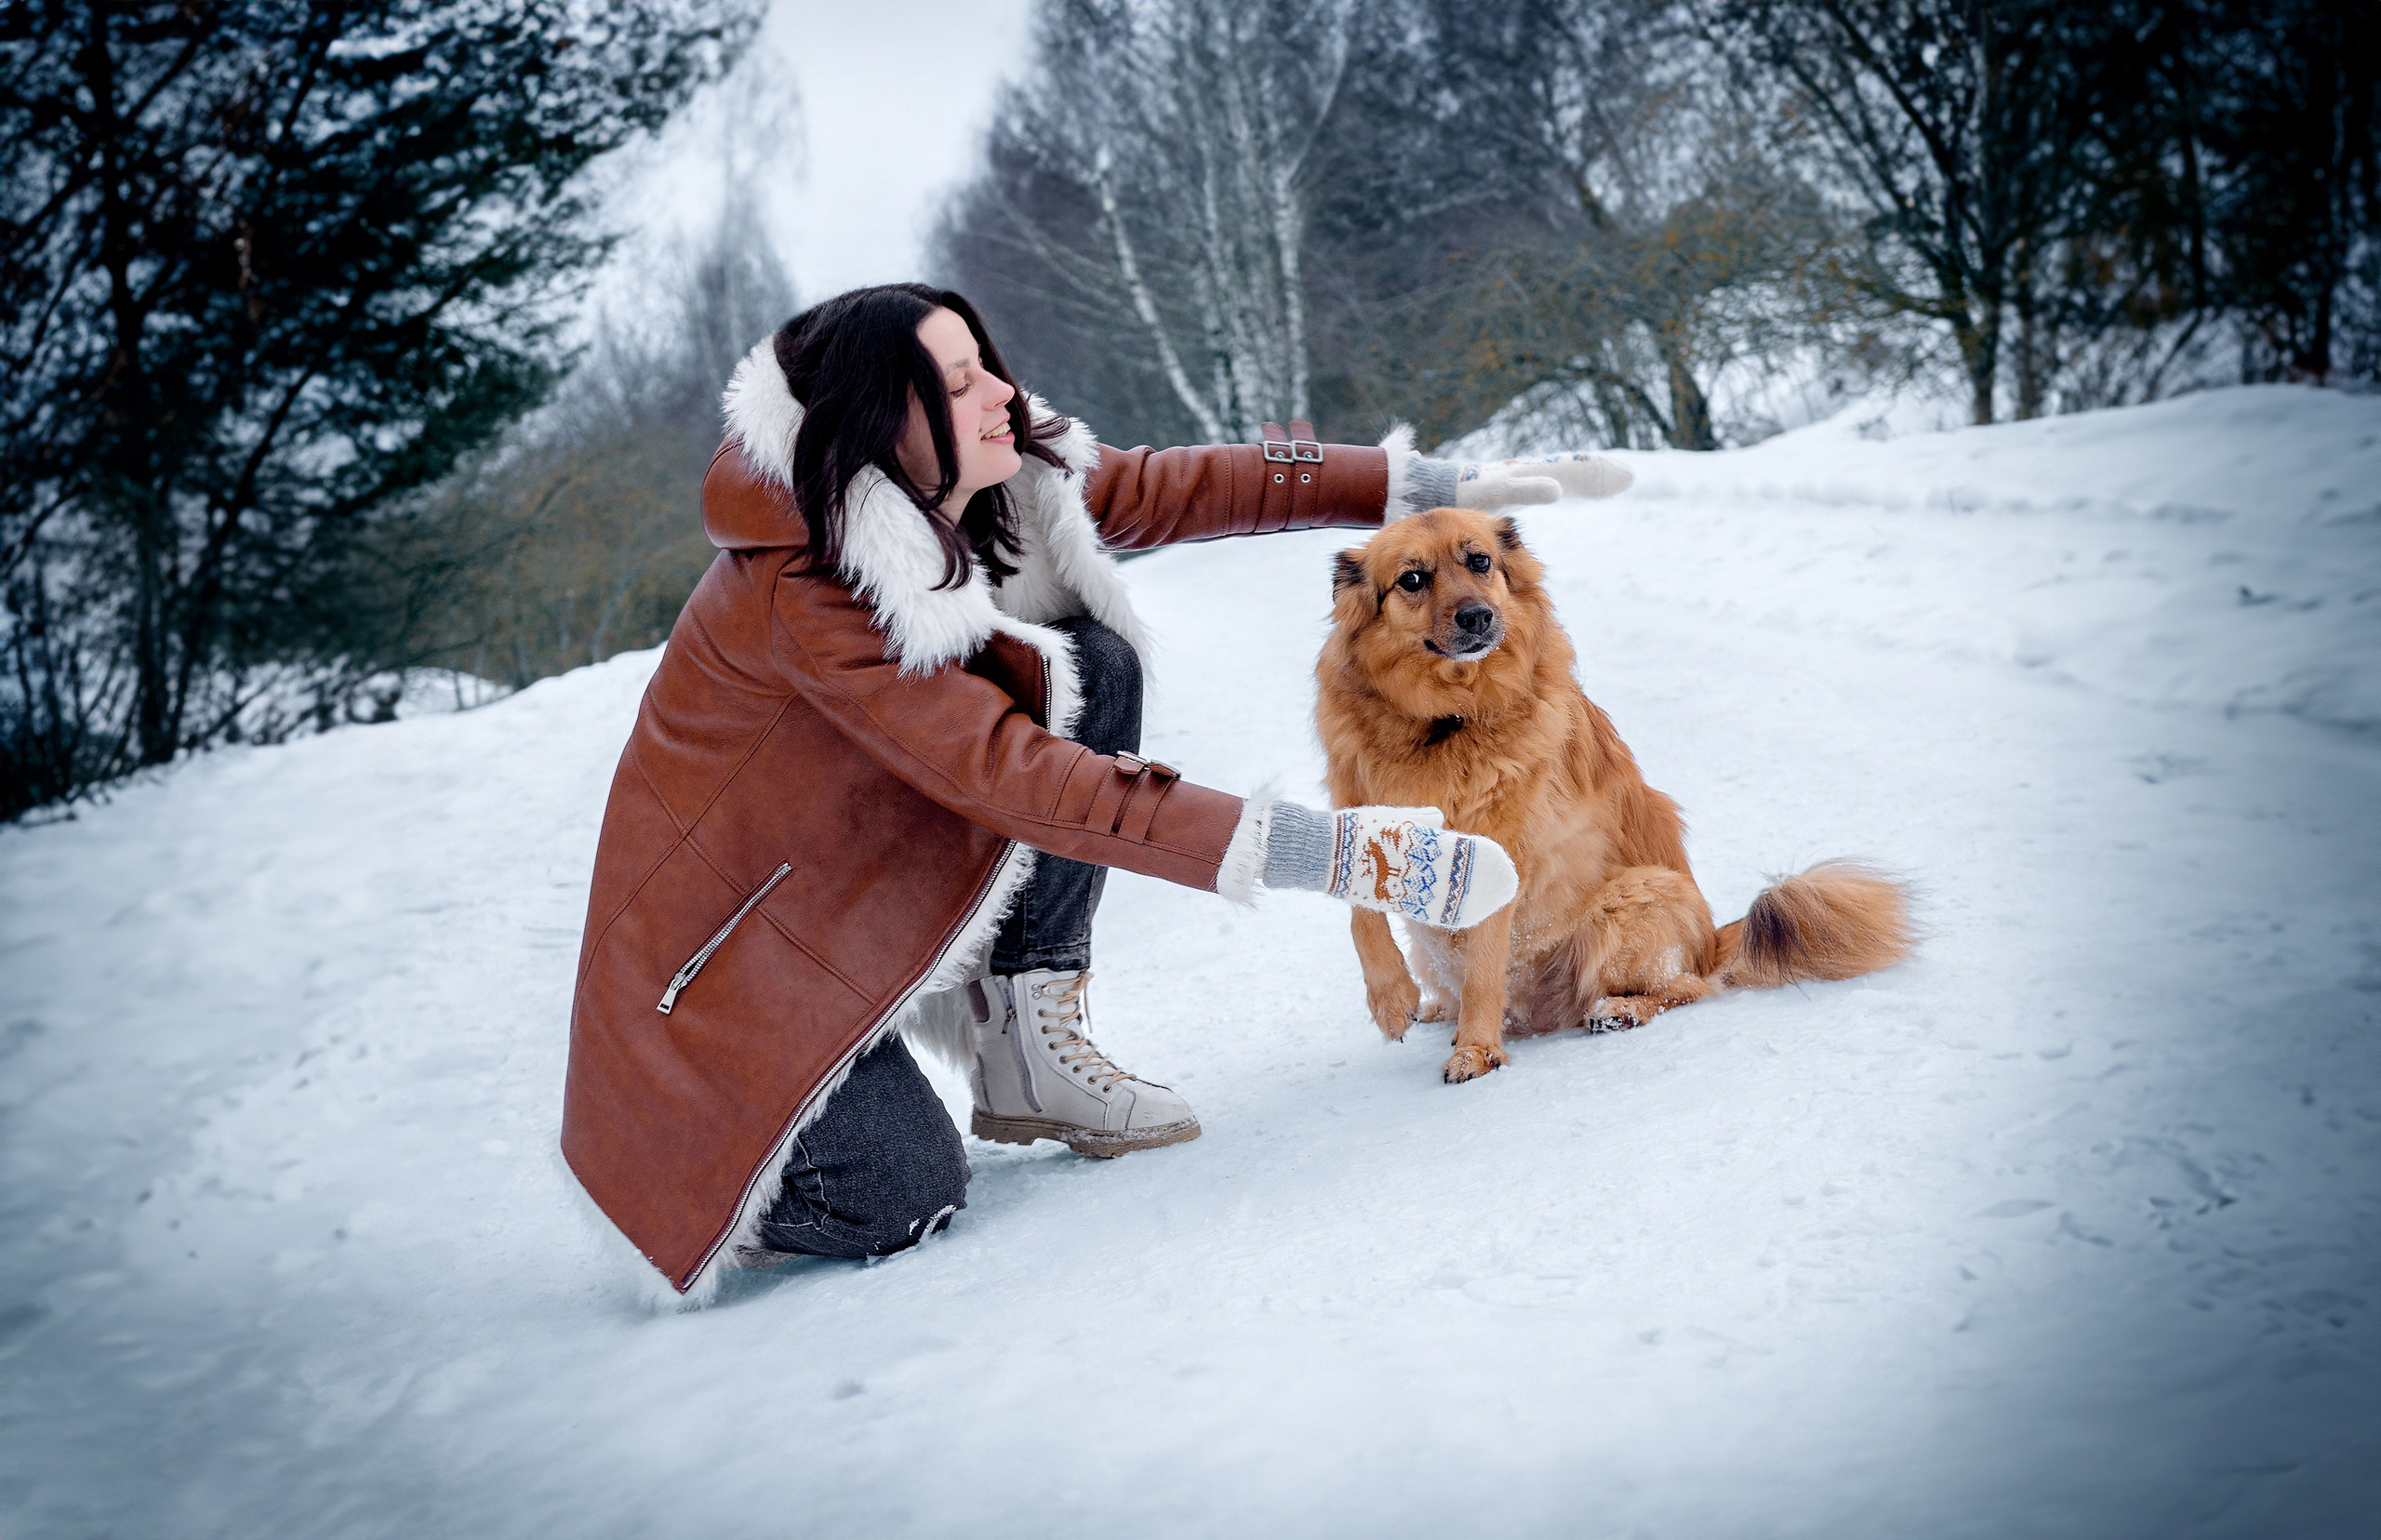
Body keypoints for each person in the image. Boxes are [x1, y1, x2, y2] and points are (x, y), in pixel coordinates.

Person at [560, 283, 1632, 1300]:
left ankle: (1028, 1041)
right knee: (901, 1193)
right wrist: (1345, 854)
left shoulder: (989, 479)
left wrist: (1433, 486)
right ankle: (710, 1146)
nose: (1003, 394)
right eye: (960, 383)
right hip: (732, 976)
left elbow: (1175, 485)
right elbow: (1025, 782)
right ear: (888, 427)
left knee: (1090, 661)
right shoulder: (810, 587)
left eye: (987, 365)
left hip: (849, 890)